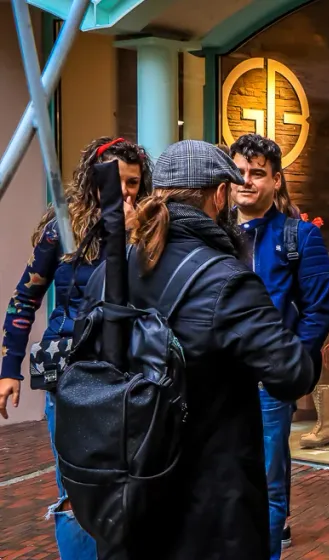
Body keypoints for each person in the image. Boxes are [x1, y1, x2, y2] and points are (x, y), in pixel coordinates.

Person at [83, 139, 315, 559]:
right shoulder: (226, 278)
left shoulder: (109, 272)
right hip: (210, 505)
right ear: (220, 195)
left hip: (127, 492)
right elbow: (291, 373)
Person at [0, 137, 151, 560]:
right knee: (74, 487)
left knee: (129, 483)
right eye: (116, 182)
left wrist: (136, 235)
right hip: (71, 377)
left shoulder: (149, 229)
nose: (126, 193)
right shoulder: (62, 230)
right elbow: (24, 298)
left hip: (127, 375)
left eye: (134, 183)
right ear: (93, 181)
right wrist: (9, 369)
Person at [229, 133, 329, 559]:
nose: (247, 181)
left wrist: (289, 363)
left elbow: (320, 308)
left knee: (269, 483)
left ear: (276, 182)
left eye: (258, 173)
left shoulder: (299, 237)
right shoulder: (214, 233)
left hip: (267, 383)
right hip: (217, 377)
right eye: (239, 172)